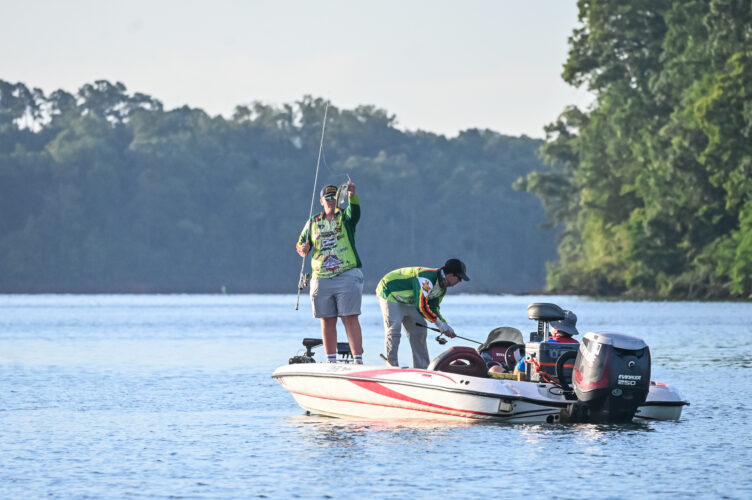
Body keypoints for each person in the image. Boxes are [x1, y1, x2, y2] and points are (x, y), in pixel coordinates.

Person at [296, 181, 364, 364]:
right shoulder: (313, 222)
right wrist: (304, 248)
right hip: (321, 277)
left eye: (334, 199)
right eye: (328, 199)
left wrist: (352, 196)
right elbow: (300, 244)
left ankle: (358, 360)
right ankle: (330, 360)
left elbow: (355, 213)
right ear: (321, 201)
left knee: (349, 317)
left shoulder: (345, 217)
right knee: (326, 319)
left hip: (346, 273)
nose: (331, 202)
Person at [376, 259, 470, 368]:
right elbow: (421, 306)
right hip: (390, 292)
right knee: (394, 328)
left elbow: (433, 307)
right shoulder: (427, 279)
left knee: (420, 330)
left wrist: (445, 325)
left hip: (409, 300)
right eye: (459, 278)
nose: (459, 282)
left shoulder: (442, 288)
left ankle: (423, 368)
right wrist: (440, 325)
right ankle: (392, 365)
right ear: (450, 275)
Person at [514, 310, 579, 379]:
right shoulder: (578, 346)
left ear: (556, 330)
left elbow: (520, 369)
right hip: (571, 384)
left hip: (546, 382)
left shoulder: (545, 345)